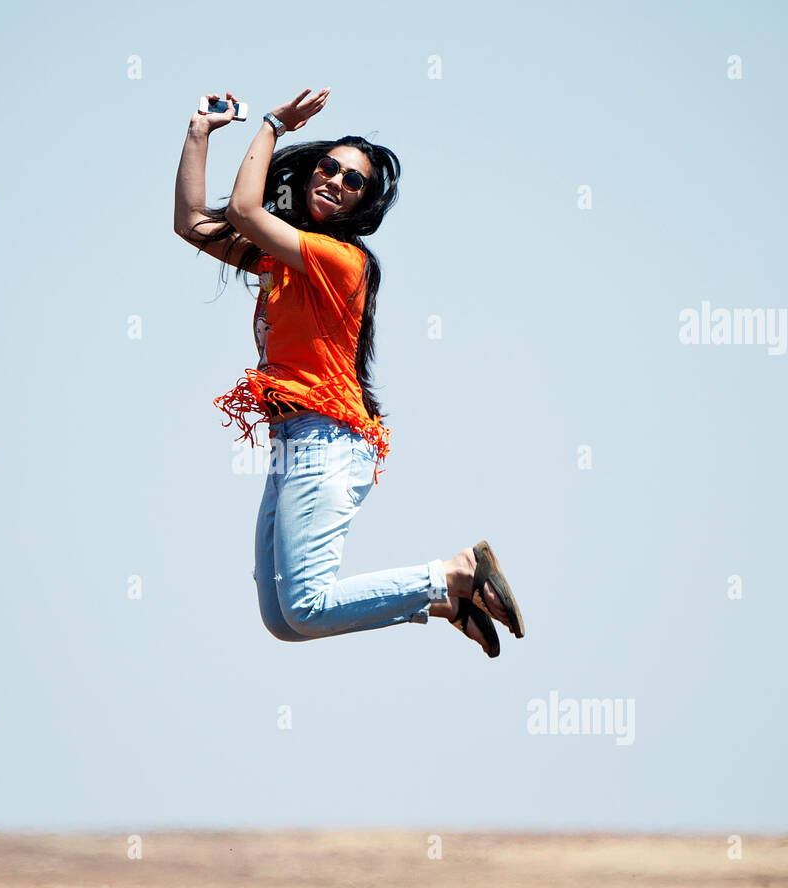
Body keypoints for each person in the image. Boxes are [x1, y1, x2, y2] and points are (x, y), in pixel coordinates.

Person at [173, 88, 524, 658]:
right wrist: (198, 133)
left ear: (363, 203)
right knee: (284, 621)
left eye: (352, 180)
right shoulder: (278, 260)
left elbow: (242, 211)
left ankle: (457, 572)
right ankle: (444, 601)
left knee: (307, 606)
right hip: (292, 440)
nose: (335, 179)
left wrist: (269, 125)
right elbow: (190, 223)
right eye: (328, 167)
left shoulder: (343, 260)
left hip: (327, 438)